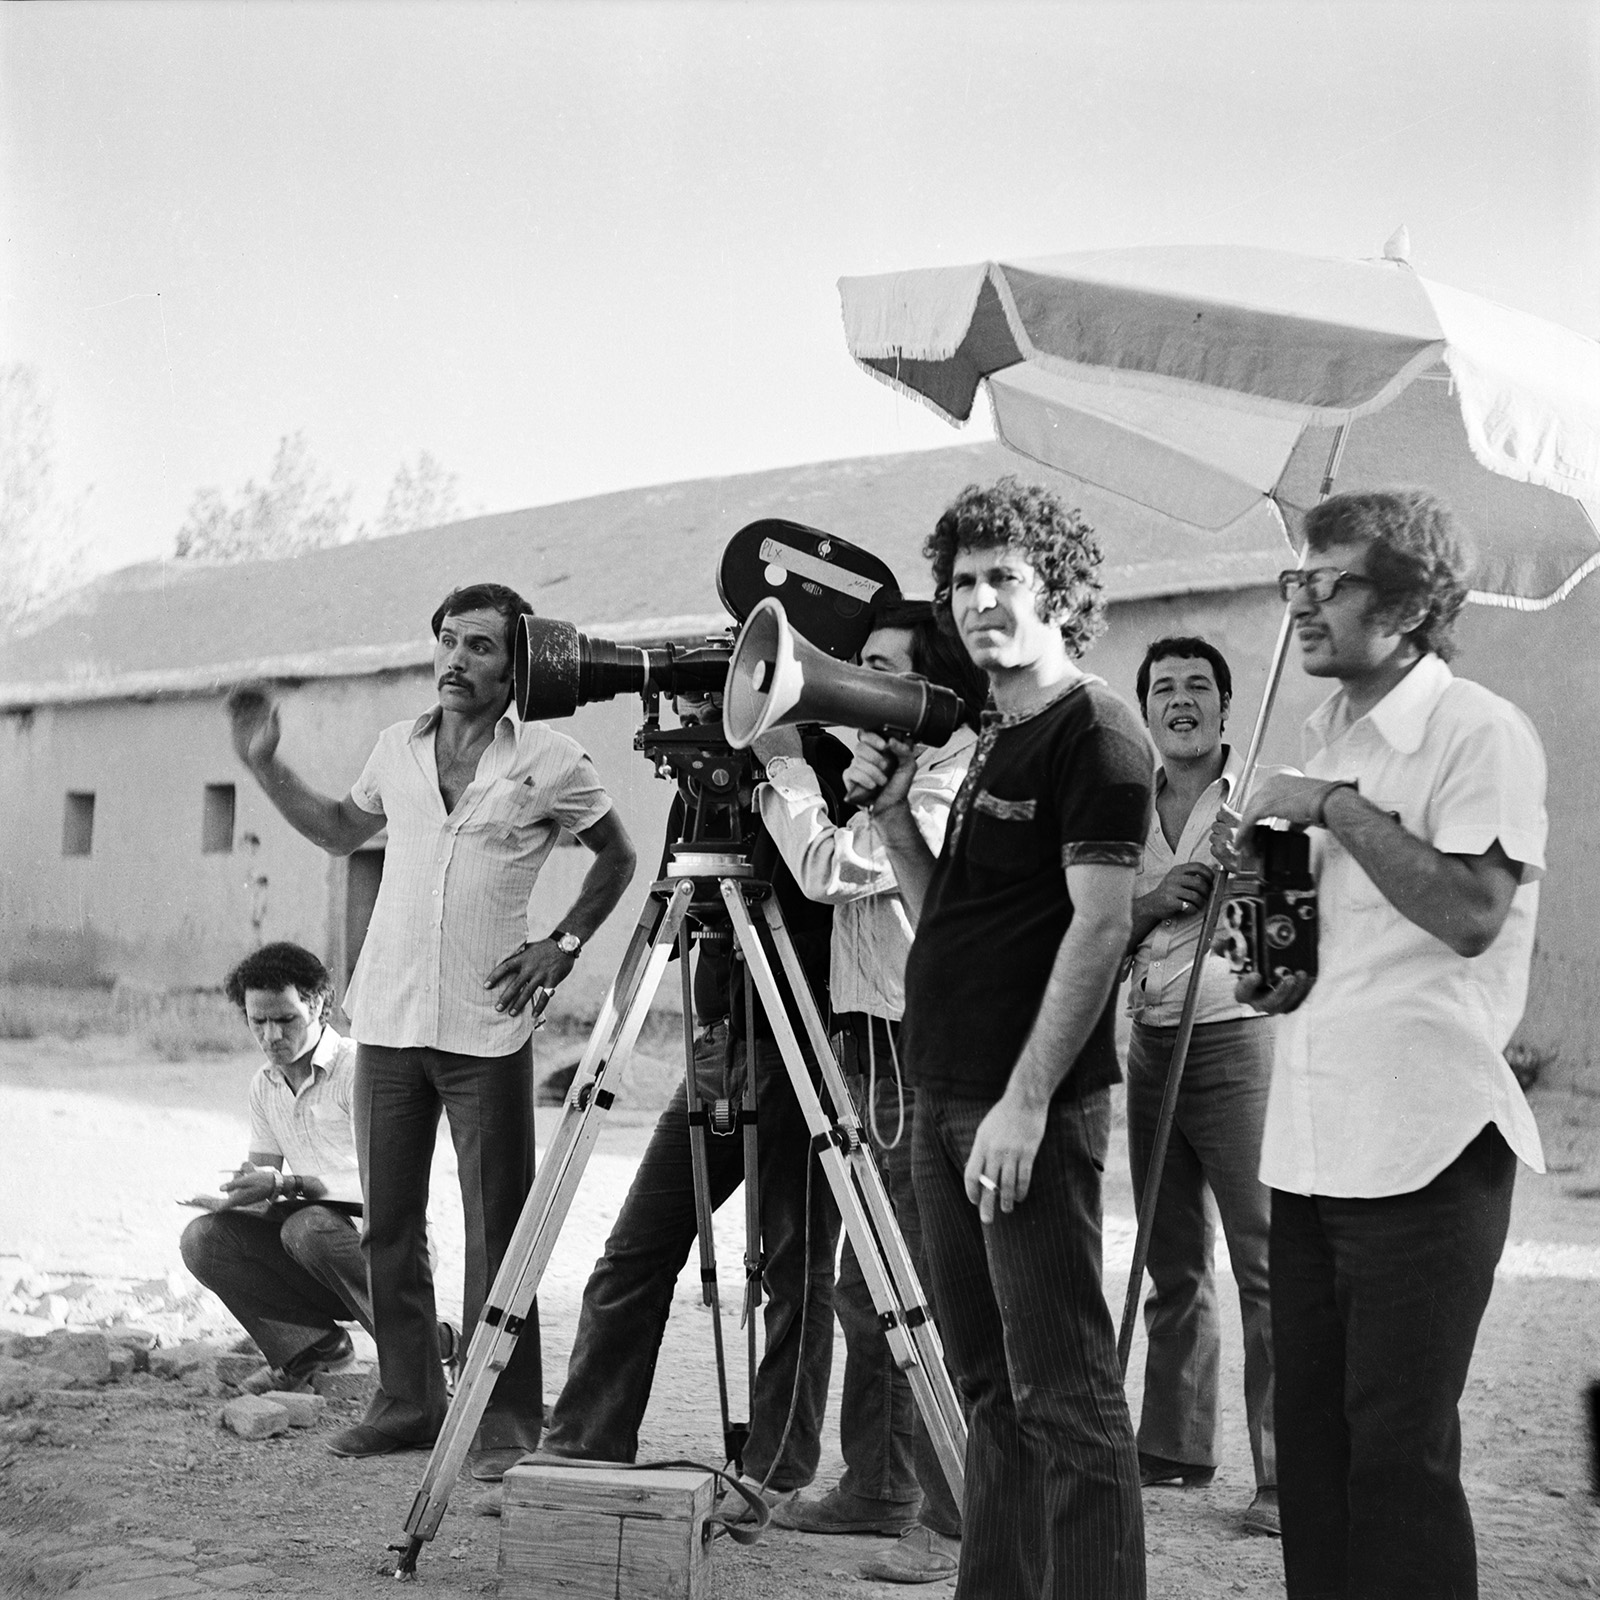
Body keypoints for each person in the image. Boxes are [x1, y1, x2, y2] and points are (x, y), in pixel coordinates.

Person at [227, 582, 637, 1471]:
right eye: (448, 641)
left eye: (481, 645)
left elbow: (619, 857)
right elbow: (341, 832)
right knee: (389, 1228)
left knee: (499, 1226)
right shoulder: (395, 749)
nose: (457, 659)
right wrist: (266, 767)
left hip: (486, 1027)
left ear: (518, 660)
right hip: (389, 1018)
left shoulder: (555, 759)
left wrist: (562, 944)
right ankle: (410, 1401)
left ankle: (504, 1422)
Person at [1227, 490, 1548, 1600]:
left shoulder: (1477, 732)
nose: (1302, 606)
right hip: (1313, 1142)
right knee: (1308, 1454)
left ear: (1411, 605)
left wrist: (1335, 810)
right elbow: (1336, 965)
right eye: (1295, 583)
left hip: (1427, 1144)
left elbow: (1469, 913)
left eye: (1332, 583)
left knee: (1398, 1460)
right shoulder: (1324, 735)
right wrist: (1271, 953)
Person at [853, 478, 1150, 1599]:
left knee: (1064, 1390)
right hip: (942, 1092)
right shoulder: (992, 733)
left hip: (1020, 1101)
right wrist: (889, 825)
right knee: (985, 1386)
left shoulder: (1096, 732)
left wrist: (1027, 1103)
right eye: (963, 581)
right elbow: (954, 920)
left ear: (1059, 593)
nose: (979, 600)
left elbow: (1103, 922)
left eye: (1003, 579)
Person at [539, 692, 844, 1510]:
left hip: (803, 1040)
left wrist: (780, 773)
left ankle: (774, 1474)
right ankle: (581, 1451)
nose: (704, 710)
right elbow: (695, 898)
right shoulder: (700, 783)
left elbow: (812, 895)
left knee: (795, 1266)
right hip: (720, 1046)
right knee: (636, 1248)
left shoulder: (818, 763)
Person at [753, 598, 985, 1584]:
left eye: (887, 670)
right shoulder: (905, 766)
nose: (861, 686)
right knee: (867, 1283)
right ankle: (878, 1485)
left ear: (932, 681)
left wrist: (783, 773)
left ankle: (954, 1512)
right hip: (875, 1033)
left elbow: (832, 870)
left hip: (915, 1037)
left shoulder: (951, 769)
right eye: (861, 666)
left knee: (916, 1287)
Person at [1123, 637, 1278, 1536]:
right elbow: (1098, 917)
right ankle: (1175, 1448)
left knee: (1264, 1264)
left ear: (1226, 703)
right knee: (1169, 1255)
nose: (1181, 701)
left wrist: (1247, 878)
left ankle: (1284, 1479)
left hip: (1240, 1044)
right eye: (1164, 689)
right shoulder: (1122, 802)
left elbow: (1293, 944)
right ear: (1147, 708)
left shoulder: (1265, 793)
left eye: (1198, 687)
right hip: (1149, 1042)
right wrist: (1154, 900)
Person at [180, 942, 369, 1395]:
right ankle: (313, 1348)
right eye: (257, 1022)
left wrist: (286, 1184)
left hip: (385, 1249)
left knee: (306, 1228)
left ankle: (433, 1345)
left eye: (285, 1020)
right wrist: (237, 1199)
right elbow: (265, 1183)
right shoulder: (264, 1085)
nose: (270, 1037)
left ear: (319, 1005)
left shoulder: (360, 1068)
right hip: (311, 1249)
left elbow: (384, 1186)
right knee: (205, 1237)